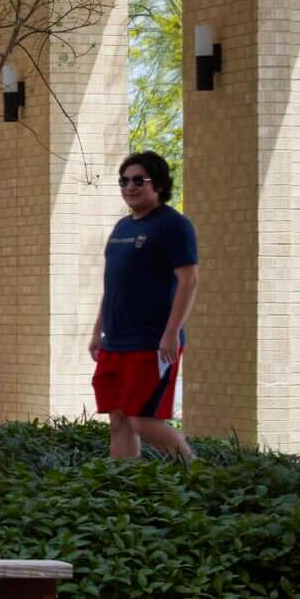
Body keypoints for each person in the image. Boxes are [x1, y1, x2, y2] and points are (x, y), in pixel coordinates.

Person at [89, 149, 199, 462]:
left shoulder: (173, 225)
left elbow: (189, 280)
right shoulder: (122, 227)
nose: (130, 186)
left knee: (143, 419)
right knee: (119, 419)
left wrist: (171, 333)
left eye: (139, 180)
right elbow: (114, 286)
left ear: (159, 185)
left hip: (152, 342)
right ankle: (124, 483)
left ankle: (197, 475)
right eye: (124, 180)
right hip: (116, 342)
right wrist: (98, 333)